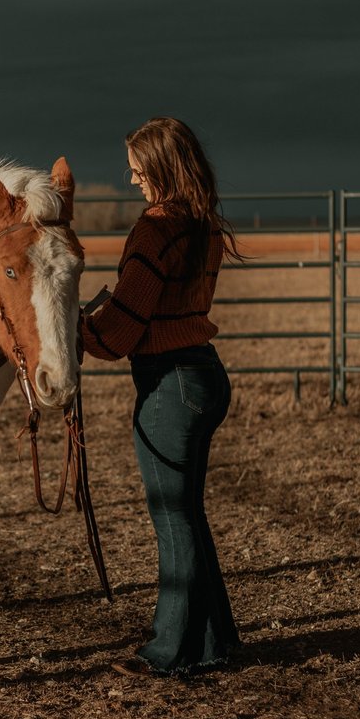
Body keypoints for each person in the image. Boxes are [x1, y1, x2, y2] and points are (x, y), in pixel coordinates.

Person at [81, 117, 242, 677]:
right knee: (188, 516)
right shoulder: (203, 225)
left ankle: (168, 652)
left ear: (161, 165)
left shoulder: (155, 228)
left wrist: (69, 334)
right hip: (202, 375)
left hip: (169, 385)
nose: (132, 180)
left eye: (137, 169)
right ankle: (217, 642)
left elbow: (122, 329)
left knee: (173, 520)